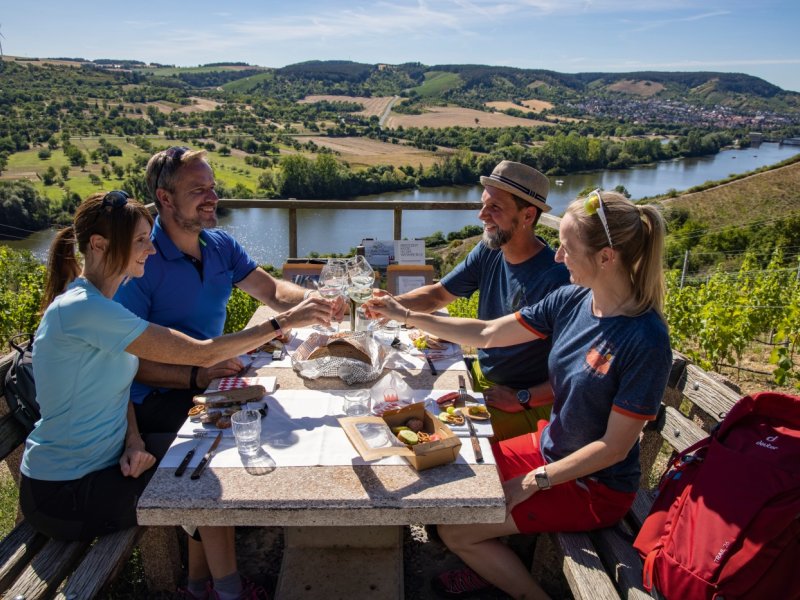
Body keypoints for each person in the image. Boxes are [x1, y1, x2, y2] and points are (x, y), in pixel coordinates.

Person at [20, 191, 334, 600]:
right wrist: (284, 322)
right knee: (203, 484)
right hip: (65, 491)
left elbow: (118, 389)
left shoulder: (102, 304)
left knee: (207, 455)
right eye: (139, 240)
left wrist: (133, 440)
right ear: (98, 246)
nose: (151, 247)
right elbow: (200, 353)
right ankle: (227, 592)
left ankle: (198, 587)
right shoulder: (84, 310)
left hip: (108, 462)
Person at [366, 190, 672, 599]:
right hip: (550, 446)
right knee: (452, 477)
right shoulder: (575, 300)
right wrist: (403, 314)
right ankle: (491, 563)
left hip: (594, 485)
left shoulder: (645, 339)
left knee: (454, 529)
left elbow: (614, 448)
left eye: (567, 247)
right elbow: (489, 333)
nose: (559, 257)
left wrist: (534, 481)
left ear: (606, 257)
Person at [115, 146, 341, 435]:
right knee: (260, 435)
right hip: (160, 399)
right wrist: (197, 374)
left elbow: (271, 290)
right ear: (165, 198)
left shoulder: (220, 245)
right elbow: (130, 362)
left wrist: (313, 299)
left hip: (212, 379)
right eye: (198, 190)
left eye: (212, 187)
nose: (212, 198)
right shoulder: (140, 260)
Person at [379, 160, 570, 440]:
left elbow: (574, 371)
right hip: (482, 375)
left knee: (429, 433)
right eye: (483, 205)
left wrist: (523, 398)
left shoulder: (556, 279)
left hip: (525, 403)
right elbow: (437, 295)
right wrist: (390, 304)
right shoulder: (490, 250)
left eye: (495, 208)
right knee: (399, 409)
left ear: (528, 215)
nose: (482, 215)